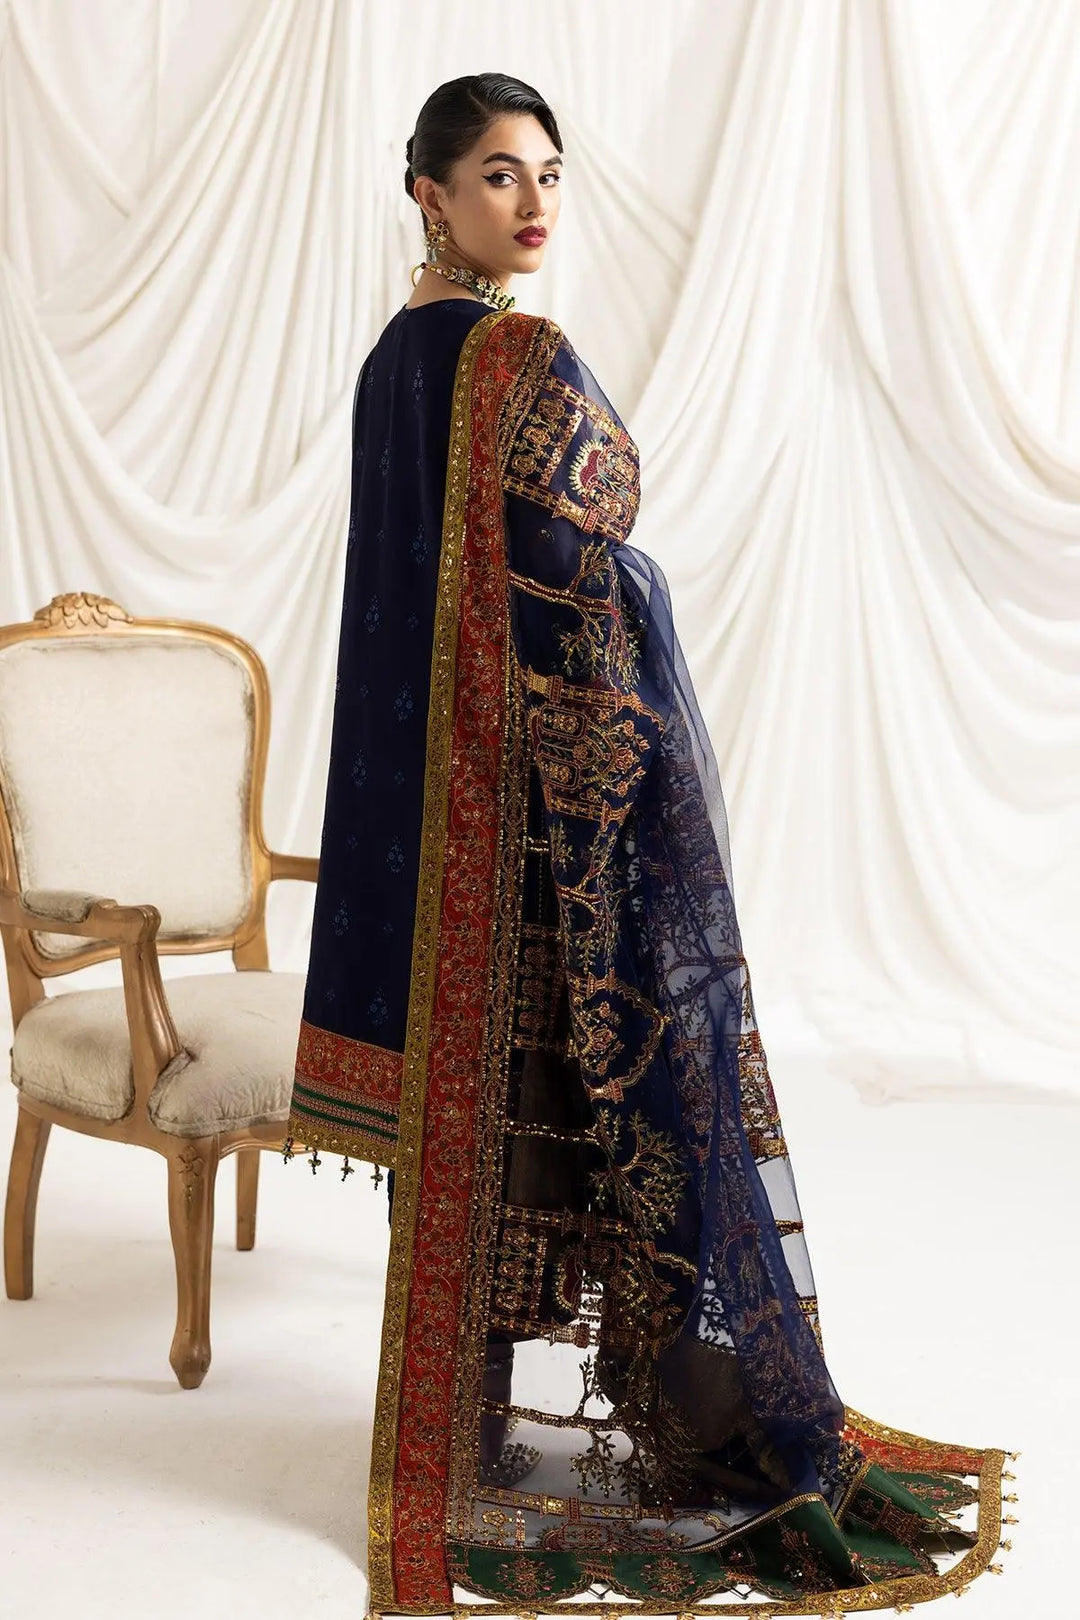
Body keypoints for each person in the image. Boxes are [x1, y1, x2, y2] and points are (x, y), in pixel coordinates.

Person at [284, 73, 1011, 1618]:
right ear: (428, 193)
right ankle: (711, 1422)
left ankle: (468, 1426)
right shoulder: (513, 353)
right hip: (552, 826)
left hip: (448, 833)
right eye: (498, 175)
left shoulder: (391, 366)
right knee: (633, 1095)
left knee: (503, 1122)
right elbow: (580, 543)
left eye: (549, 174)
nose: (532, 202)